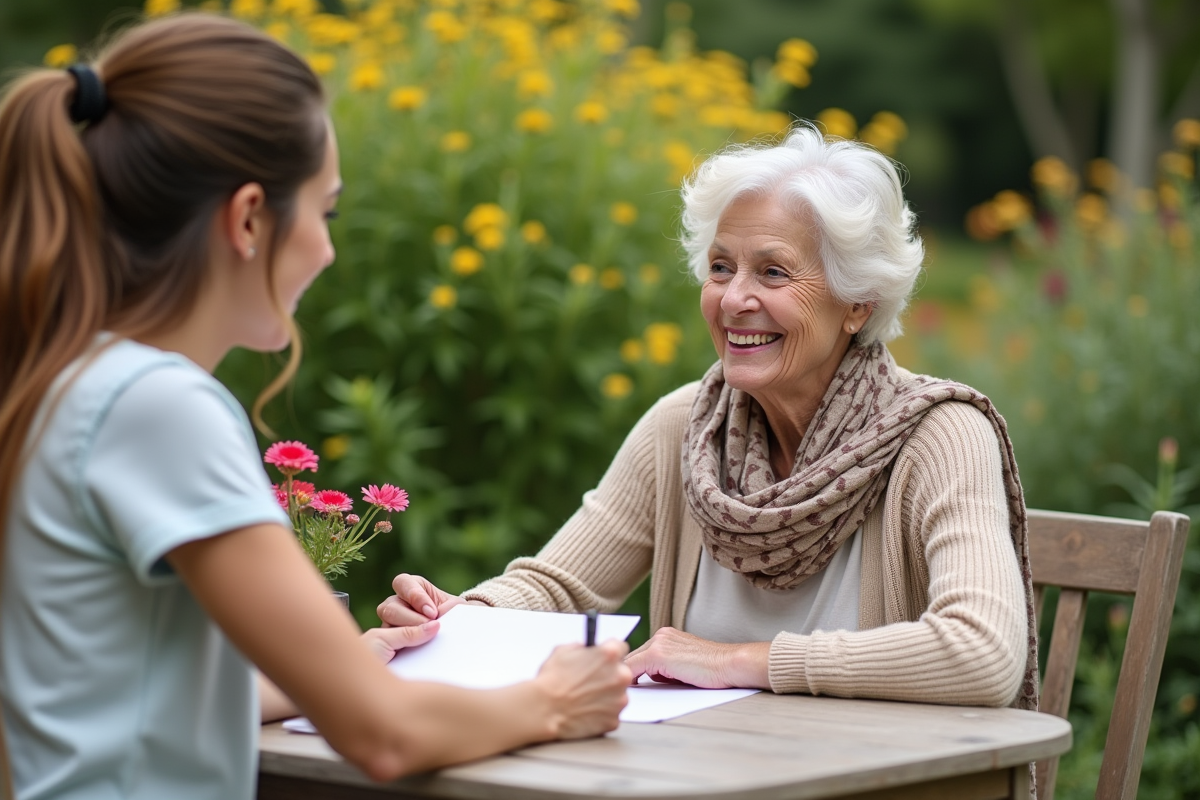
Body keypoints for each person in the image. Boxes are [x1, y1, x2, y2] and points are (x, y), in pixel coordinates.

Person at [0, 14, 629, 800]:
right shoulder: (156, 406)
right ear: (250, 219)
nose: (329, 251)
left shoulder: (59, 377)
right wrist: (556, 701)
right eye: (324, 213)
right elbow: (385, 736)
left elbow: (118, 688)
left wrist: (332, 668)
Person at [379, 126, 1039, 712]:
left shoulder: (938, 436)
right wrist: (460, 618)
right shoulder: (684, 430)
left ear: (857, 303)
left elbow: (981, 651)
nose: (733, 298)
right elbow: (559, 587)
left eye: (773, 272)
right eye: (720, 267)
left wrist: (743, 661)